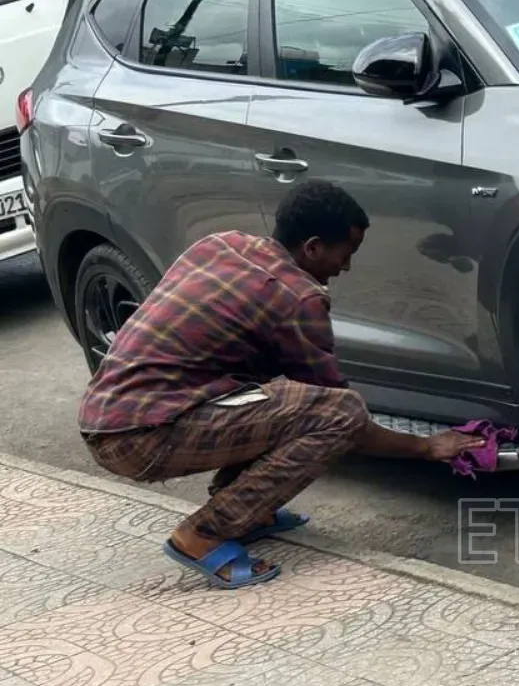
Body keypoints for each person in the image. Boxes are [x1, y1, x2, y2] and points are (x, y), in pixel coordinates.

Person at [78, 181, 484, 589]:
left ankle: (250, 509)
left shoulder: (221, 244)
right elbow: (343, 417)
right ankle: (202, 536)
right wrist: (428, 447)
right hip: (138, 436)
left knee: (281, 392)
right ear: (312, 247)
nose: (346, 267)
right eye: (346, 253)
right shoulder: (298, 297)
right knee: (337, 413)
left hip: (107, 413)